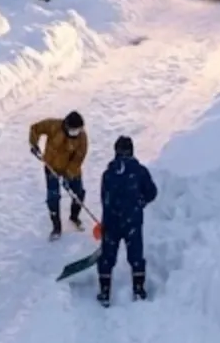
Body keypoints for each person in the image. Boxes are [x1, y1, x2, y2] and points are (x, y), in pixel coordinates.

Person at [97, 135, 158, 306]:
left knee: (107, 258)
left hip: (111, 222)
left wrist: (109, 215)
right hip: (133, 221)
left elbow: (104, 198)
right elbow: (152, 192)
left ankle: (105, 292)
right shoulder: (140, 171)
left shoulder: (108, 174)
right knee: (136, 255)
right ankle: (138, 289)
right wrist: (140, 202)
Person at [28, 110, 88, 238]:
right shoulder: (54, 125)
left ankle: (74, 217)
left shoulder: (82, 138)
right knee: (53, 198)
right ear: (66, 125)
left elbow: (79, 158)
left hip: (71, 170)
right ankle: (56, 227)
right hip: (52, 168)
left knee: (79, 194)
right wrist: (34, 144)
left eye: (78, 130)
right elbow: (35, 128)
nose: (76, 133)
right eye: (73, 130)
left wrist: (69, 174)